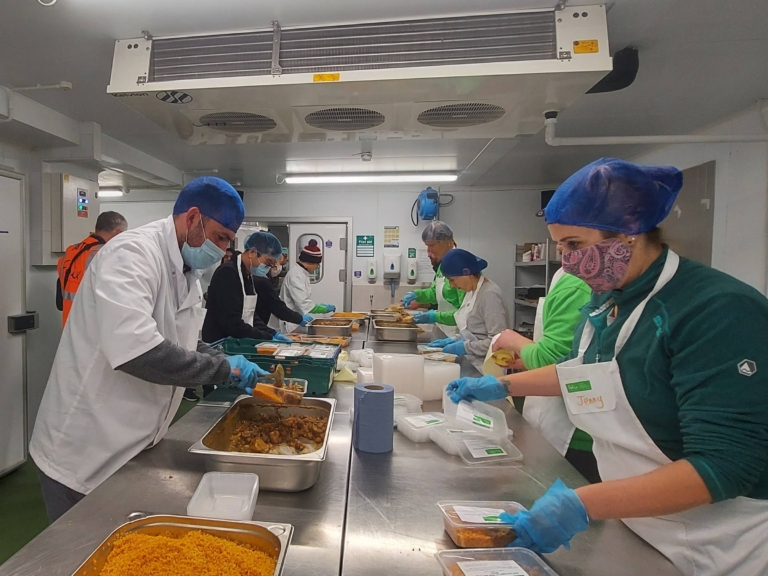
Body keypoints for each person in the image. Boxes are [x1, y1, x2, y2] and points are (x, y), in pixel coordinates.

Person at [446, 158, 768, 575]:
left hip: (713, 547)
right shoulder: (614, 300)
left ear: (628, 235)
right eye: (560, 247)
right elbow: (587, 375)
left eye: (574, 245)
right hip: (637, 523)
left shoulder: (716, 310)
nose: (565, 262)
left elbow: (725, 468)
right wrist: (505, 387)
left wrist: (584, 502)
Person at [29, 177, 269, 523]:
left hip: (131, 444)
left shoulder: (188, 271)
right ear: (193, 218)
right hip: (85, 448)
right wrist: (222, 370)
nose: (221, 250)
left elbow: (180, 340)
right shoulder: (131, 255)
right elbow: (138, 353)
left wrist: (224, 360)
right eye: (219, 238)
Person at [493, 268, 597, 482]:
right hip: (548, 412)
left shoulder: (576, 284)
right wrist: (524, 364)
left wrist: (512, 340)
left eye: (572, 243)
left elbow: (557, 363)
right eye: (560, 245)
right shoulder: (565, 277)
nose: (563, 252)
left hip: (576, 431)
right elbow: (568, 359)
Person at [202, 232, 298, 345]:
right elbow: (232, 322)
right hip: (220, 343)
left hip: (235, 340)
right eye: (268, 263)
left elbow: (249, 315)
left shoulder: (247, 274)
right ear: (252, 252)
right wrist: (266, 337)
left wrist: (272, 333)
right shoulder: (228, 273)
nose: (268, 268)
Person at [426, 248, 509, 371]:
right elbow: (474, 331)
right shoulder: (471, 292)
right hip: (472, 363)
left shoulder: (489, 294)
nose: (452, 285)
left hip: (488, 370)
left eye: (452, 280)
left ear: (466, 273)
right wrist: (455, 339)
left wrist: (465, 347)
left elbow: (498, 341)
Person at [56, 211, 127, 326]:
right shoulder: (105, 254)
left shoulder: (71, 251)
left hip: (69, 324)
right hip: (91, 326)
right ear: (118, 233)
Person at [401, 221, 465, 337]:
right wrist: (417, 294)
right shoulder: (442, 266)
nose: (428, 252)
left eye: (432, 246)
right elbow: (435, 293)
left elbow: (465, 313)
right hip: (443, 329)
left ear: (448, 243)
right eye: (427, 246)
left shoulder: (461, 267)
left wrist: (434, 316)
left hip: (458, 333)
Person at [275, 239, 336, 333]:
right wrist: (323, 309)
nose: (317, 267)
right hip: (291, 323)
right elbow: (303, 303)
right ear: (310, 263)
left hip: (296, 319)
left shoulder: (302, 273)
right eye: (317, 264)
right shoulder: (295, 275)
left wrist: (319, 306)